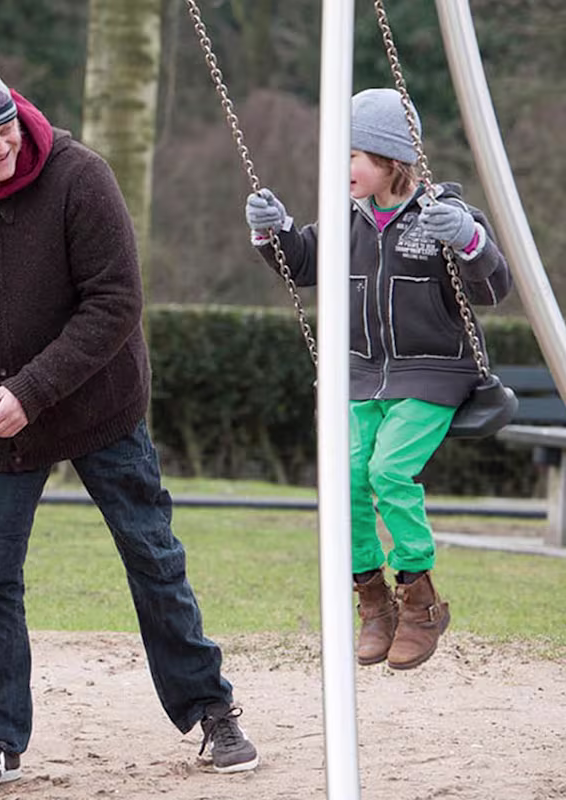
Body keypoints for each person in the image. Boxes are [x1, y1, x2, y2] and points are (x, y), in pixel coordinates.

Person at [0, 59, 258, 794]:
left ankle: (211, 709)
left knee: (153, 557)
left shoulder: (79, 175)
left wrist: (32, 388)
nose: (2, 147)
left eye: (5, 129)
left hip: (100, 409)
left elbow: (117, 302)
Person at [244, 88, 512, 671]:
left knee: (388, 470)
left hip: (432, 375)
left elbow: (492, 289)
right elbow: (304, 263)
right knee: (345, 481)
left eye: (352, 157)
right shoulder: (346, 220)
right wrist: (274, 231)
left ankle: (419, 598)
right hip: (359, 375)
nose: (341, 169)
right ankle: (372, 600)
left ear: (392, 159)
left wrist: (467, 239)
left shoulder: (442, 214)